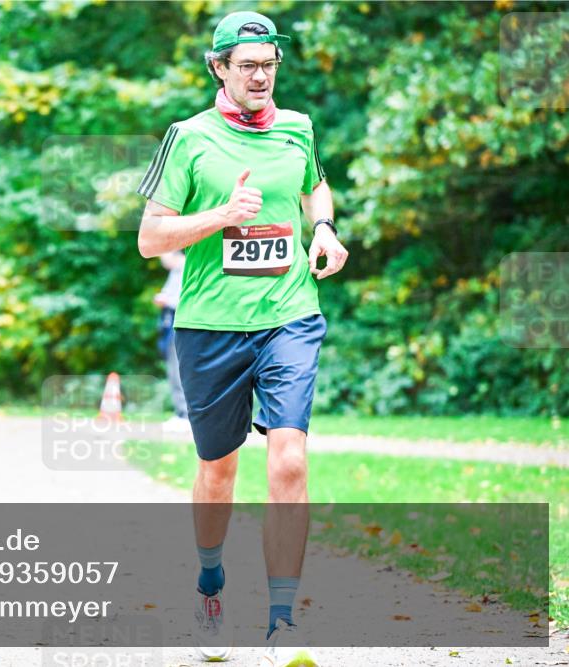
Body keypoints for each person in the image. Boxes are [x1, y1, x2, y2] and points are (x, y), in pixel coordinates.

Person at [136, 11, 349, 665]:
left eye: (270, 64)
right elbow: (150, 239)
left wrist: (324, 228)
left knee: (288, 459)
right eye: (249, 64)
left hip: (288, 314)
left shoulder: (298, 128)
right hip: (210, 325)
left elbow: (316, 187)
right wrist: (223, 216)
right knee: (218, 470)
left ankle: (283, 616)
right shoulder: (187, 140)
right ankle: (209, 581)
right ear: (219, 68)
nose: (262, 75)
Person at [153, 250, 191, 433]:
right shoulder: (174, 272)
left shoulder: (184, 268)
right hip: (170, 325)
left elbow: (184, 299)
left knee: (178, 370)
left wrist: (166, 300)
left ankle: (185, 414)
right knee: (172, 369)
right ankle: (180, 412)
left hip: (180, 324)